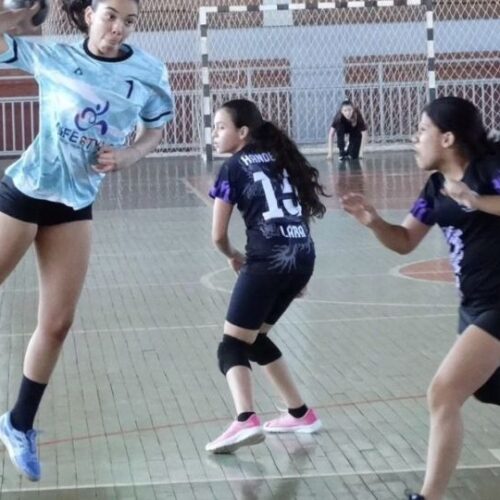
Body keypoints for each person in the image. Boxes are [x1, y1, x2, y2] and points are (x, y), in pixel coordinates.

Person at [0, 0, 173, 481]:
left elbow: (155, 128)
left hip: (74, 205)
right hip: (26, 191)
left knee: (56, 324)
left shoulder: (148, 72)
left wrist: (130, 154)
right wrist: (12, 14)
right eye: (110, 15)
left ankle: (18, 424)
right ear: (88, 14)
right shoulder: (53, 57)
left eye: (129, 21)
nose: (118, 28)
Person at [341, 96, 500, 500]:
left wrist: (476, 201)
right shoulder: (435, 187)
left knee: (443, 392)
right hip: (474, 304)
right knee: (485, 389)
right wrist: (374, 222)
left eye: (422, 130)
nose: (415, 139)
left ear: (447, 138)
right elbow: (406, 241)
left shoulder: (489, 172)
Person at [206, 98, 327, 454]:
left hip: (268, 260)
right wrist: (299, 269)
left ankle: (245, 418)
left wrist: (232, 256)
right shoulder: (283, 159)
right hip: (302, 255)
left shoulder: (233, 167)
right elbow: (299, 215)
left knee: (231, 346)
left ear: (242, 132)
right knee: (255, 339)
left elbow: (218, 236)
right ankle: (300, 413)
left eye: (221, 127)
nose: (215, 134)